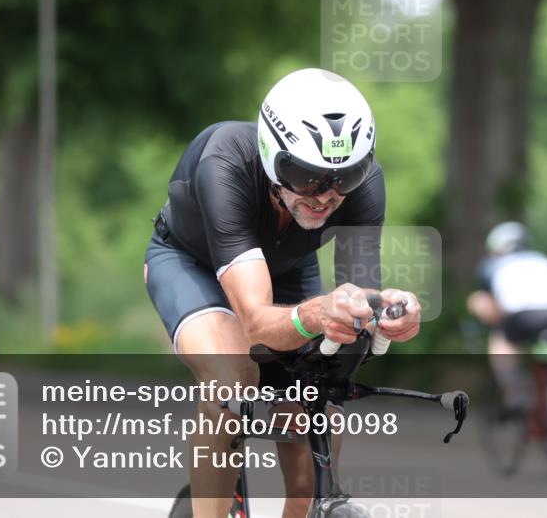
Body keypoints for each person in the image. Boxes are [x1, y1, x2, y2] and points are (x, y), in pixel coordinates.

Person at [144, 68, 421, 518]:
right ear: (274, 157)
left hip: (286, 267)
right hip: (189, 264)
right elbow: (256, 321)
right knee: (232, 379)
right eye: (306, 176)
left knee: (314, 402)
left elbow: (361, 295)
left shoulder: (365, 185)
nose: (325, 197)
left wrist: (386, 313)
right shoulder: (225, 161)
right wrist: (315, 316)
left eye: (344, 178)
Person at [466, 222, 547, 411]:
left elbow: (490, 304)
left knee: (501, 338)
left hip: (523, 317)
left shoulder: (492, 265)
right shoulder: (544, 261)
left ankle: (514, 392)